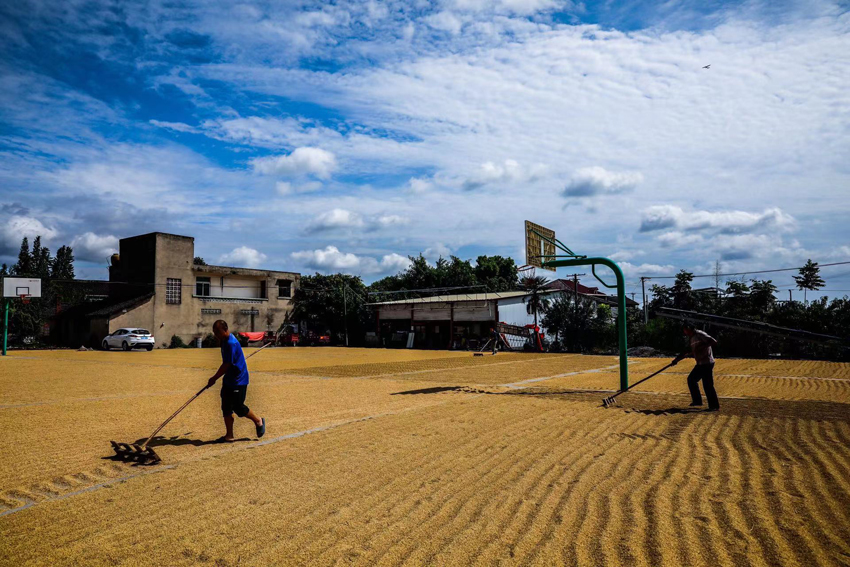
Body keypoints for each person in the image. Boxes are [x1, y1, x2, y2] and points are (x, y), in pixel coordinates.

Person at [207, 319, 266, 441]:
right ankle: (229, 435)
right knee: (226, 407)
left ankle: (258, 421)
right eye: (214, 332)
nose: (216, 335)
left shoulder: (230, 343)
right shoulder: (224, 341)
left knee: (238, 407)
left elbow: (226, 364)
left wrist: (214, 378)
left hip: (239, 380)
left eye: (218, 332)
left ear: (225, 329)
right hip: (229, 379)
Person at [672, 323, 720, 411]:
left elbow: (713, 341)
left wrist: (701, 347)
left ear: (689, 328)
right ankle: (697, 401)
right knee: (691, 380)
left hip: (707, 362)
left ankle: (714, 405)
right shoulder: (691, 338)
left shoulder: (700, 334)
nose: (684, 331)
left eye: (685, 329)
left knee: (707, 384)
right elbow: (686, 351)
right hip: (700, 363)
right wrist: (676, 360)